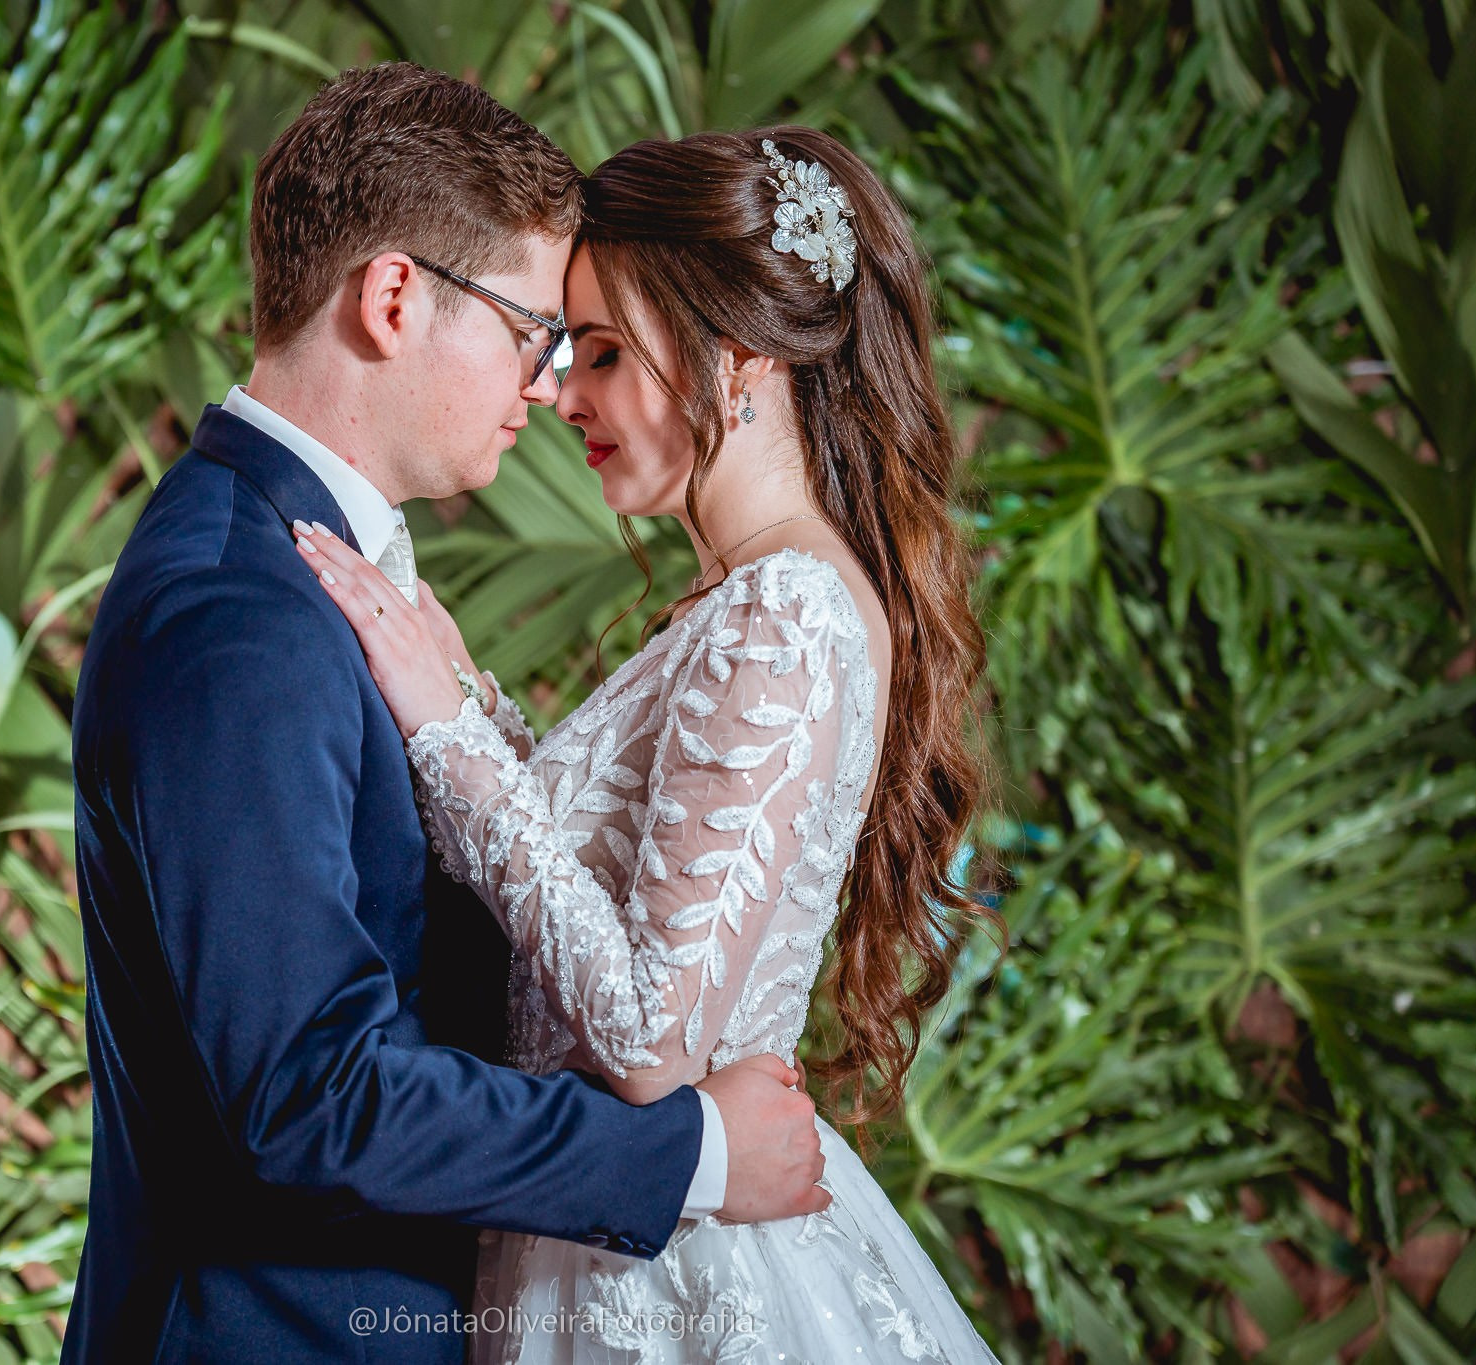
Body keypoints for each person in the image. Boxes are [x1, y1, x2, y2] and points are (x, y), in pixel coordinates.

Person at [63, 66, 832, 1364]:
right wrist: (687, 1152)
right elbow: (314, 1093)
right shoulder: (235, 615)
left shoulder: (310, 563)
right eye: (535, 328)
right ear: (396, 296)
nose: (547, 385)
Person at [297, 126, 1003, 1362]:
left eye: (604, 354)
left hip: (669, 1264)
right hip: (608, 1231)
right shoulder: (762, 596)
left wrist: (448, 732)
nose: (561, 394)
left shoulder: (782, 615)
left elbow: (649, 1043)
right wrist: (474, 699)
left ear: (732, 354)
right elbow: (622, 885)